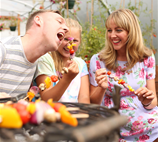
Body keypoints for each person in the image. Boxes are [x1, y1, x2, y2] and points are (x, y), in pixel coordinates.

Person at [89, 9, 158, 142]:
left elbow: (153, 100)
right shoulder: (98, 60)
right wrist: (102, 88)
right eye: (109, 30)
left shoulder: (146, 58)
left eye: (118, 30)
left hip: (142, 113)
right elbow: (93, 104)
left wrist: (147, 101)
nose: (112, 35)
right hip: (111, 115)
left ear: (131, 32)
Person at [0, 10, 69, 98]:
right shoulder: (3, 49)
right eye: (59, 21)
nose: (67, 29)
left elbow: (48, 97)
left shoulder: (40, 60)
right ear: (38, 20)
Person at [35, 18, 90, 103]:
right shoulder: (45, 60)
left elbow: (84, 98)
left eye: (74, 40)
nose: (69, 45)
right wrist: (67, 79)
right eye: (65, 39)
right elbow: (46, 98)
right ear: (57, 37)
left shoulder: (81, 64)